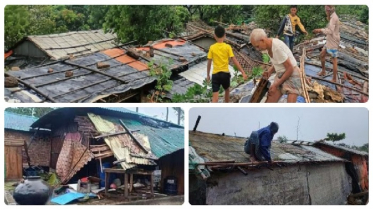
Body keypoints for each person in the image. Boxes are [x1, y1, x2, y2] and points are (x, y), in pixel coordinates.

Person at [250, 28, 302, 103]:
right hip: (281, 73)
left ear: (262, 40)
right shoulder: (268, 47)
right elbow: (278, 61)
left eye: (257, 46)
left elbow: (290, 68)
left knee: (290, 106)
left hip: (292, 74)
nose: (257, 49)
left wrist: (276, 85)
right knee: (270, 98)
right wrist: (270, 71)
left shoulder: (276, 47)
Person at [207, 25, 248, 103]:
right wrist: (242, 72)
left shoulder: (212, 47)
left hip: (215, 75)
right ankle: (226, 105)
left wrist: (208, 75)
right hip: (225, 74)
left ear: (214, 35)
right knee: (227, 90)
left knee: (215, 98)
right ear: (225, 35)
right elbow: (234, 60)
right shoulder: (227, 47)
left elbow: (209, 62)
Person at [313, 5, 340, 83]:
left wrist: (319, 30)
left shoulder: (334, 18)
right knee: (322, 55)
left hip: (333, 42)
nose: (325, 12)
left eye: (326, 10)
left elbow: (330, 31)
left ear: (328, 10)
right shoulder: (332, 17)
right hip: (329, 41)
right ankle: (323, 71)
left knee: (334, 60)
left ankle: (334, 79)